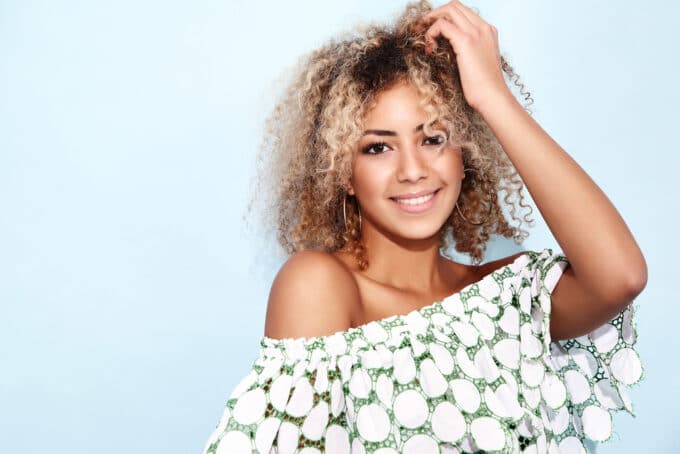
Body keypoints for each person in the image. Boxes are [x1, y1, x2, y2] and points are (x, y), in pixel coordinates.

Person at [203, 1, 647, 452]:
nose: (412, 170)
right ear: (342, 173)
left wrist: (493, 96)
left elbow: (620, 277)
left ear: (464, 154)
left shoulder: (503, 301)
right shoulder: (320, 285)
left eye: (433, 138)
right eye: (378, 148)